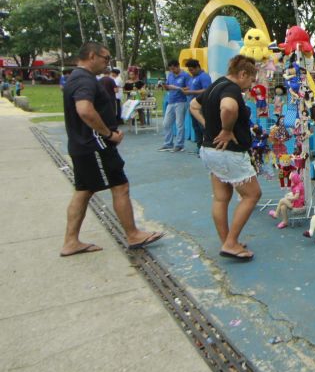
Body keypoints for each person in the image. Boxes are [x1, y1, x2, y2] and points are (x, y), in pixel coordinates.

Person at [60, 42, 164, 256]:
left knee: (84, 191)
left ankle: (71, 241)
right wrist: (108, 134)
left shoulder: (77, 78)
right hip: (95, 145)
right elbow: (85, 110)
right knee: (120, 186)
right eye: (105, 58)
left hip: (83, 144)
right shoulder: (84, 80)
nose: (107, 63)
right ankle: (132, 233)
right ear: (91, 56)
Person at [189, 55, 261, 261]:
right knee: (252, 194)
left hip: (210, 149)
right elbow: (229, 108)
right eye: (251, 79)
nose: (251, 84)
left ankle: (228, 241)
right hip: (229, 152)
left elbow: (194, 105)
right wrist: (227, 129)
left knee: (221, 197)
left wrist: (208, 126)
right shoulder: (231, 89)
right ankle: (231, 243)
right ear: (243, 74)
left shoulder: (215, 85)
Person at [158, 59, 192, 153]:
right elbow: (168, 88)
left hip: (181, 101)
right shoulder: (170, 75)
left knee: (179, 124)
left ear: (178, 66)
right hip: (171, 101)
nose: (172, 71)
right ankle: (168, 144)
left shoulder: (185, 75)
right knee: (166, 123)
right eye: (170, 69)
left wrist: (178, 88)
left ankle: (179, 145)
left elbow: (189, 87)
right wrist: (164, 85)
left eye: (173, 69)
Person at [183, 58, 212, 154]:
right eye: (189, 70)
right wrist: (185, 89)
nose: (190, 72)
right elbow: (193, 87)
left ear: (197, 67)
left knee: (203, 126)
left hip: (201, 106)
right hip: (192, 106)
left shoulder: (204, 77)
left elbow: (206, 90)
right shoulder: (193, 78)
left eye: (192, 70)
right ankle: (199, 147)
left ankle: (207, 147)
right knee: (195, 127)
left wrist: (190, 92)